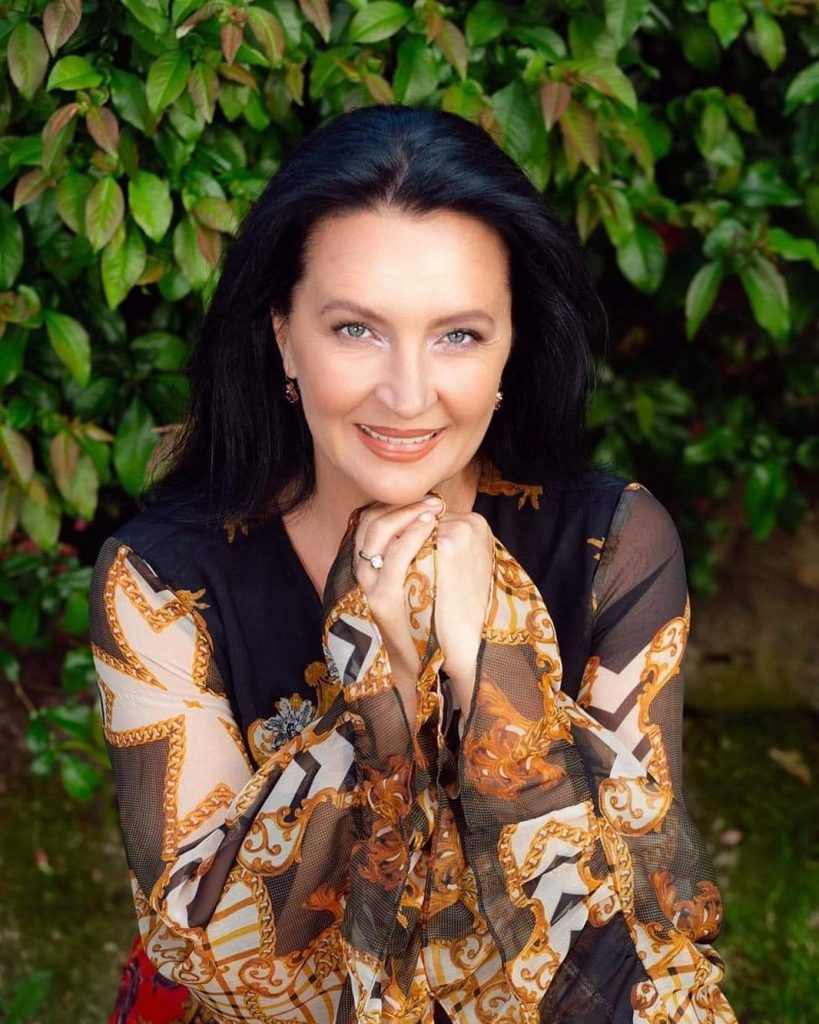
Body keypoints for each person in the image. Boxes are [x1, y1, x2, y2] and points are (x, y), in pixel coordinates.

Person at [89, 104, 738, 1024]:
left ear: (512, 343)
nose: (406, 394)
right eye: (356, 329)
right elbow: (224, 973)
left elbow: (642, 967)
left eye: (458, 334)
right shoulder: (162, 582)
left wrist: (493, 673)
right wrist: (379, 696)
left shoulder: (612, 543)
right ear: (283, 333)